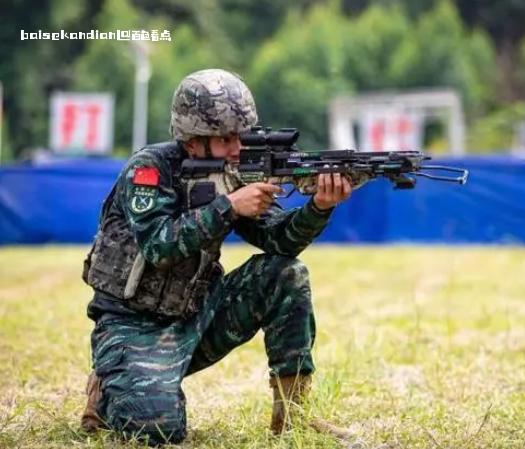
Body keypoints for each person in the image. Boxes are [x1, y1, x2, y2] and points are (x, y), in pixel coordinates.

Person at [79, 68, 353, 445]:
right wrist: (230, 206)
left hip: (196, 314)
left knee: (286, 273)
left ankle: (294, 417)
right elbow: (159, 246)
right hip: (133, 325)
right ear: (192, 142)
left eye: (241, 136)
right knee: (158, 431)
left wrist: (319, 207)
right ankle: (109, 386)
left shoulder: (232, 172)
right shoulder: (148, 170)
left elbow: (281, 242)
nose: (238, 148)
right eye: (226, 139)